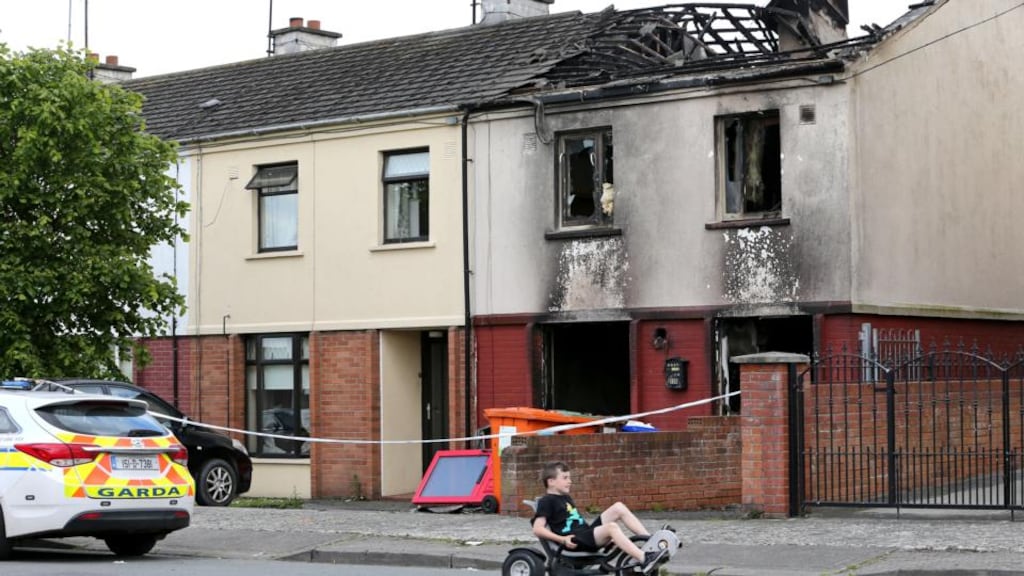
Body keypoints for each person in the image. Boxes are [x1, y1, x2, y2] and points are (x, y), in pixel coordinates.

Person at [531, 461, 667, 574]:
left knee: (618, 507)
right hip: (575, 541)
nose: (570, 481)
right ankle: (644, 558)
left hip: (585, 535)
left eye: (569, 478)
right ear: (551, 482)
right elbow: (538, 529)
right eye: (565, 478)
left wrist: (604, 538)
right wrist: (563, 539)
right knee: (611, 528)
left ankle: (651, 543)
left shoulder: (565, 497)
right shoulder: (547, 501)